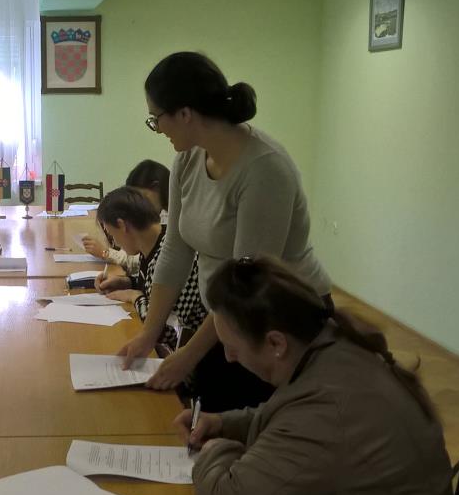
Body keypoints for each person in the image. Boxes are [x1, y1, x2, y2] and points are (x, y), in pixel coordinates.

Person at [175, 257, 459, 495]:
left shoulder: (332, 406)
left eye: (233, 347)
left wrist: (216, 450)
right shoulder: (336, 349)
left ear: (275, 343)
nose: (228, 357)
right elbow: (287, 418)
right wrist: (224, 423)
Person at [119, 51, 333, 411]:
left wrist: (188, 355)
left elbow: (245, 284)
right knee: (205, 414)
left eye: (157, 119)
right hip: (227, 317)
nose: (159, 129)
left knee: (244, 421)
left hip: (279, 321)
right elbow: (175, 251)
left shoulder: (264, 170)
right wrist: (148, 334)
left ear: (185, 114)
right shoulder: (188, 159)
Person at [93, 186, 206, 354]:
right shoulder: (156, 242)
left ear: (122, 225)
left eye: (112, 235)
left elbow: (167, 332)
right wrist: (127, 283)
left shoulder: (171, 257)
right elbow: (152, 288)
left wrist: (135, 297)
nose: (115, 242)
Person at [82, 159, 170, 267]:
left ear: (156, 187)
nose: (137, 204)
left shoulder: (171, 221)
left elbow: (138, 260)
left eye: (141, 197)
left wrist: (106, 253)